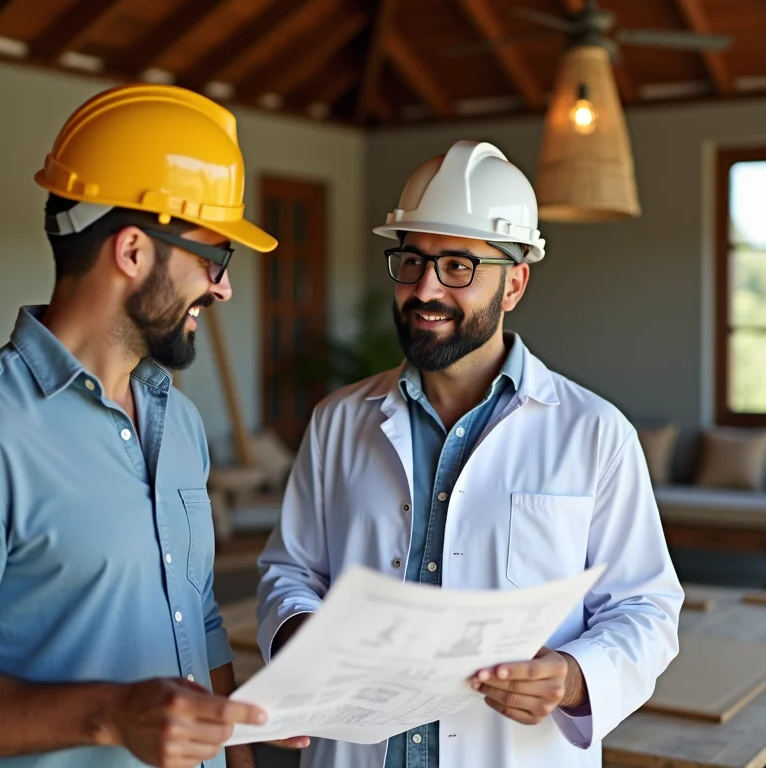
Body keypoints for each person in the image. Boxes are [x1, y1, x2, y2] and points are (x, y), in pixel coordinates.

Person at [0, 84, 306, 768]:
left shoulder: (180, 424)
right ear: (133, 251)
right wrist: (110, 715)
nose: (223, 287)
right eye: (214, 258)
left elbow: (199, 621)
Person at [255, 140, 684, 767]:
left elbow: (646, 606)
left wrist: (572, 678)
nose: (425, 288)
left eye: (458, 265)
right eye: (412, 260)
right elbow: (290, 572)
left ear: (514, 284)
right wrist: (302, 635)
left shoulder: (595, 432)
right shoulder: (338, 421)